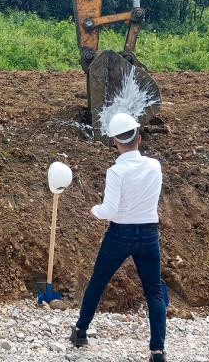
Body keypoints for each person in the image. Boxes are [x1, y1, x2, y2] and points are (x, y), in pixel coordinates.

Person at [69, 112, 166, 362]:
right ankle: (157, 351)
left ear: (115, 142)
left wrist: (94, 211)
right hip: (149, 234)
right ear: (140, 139)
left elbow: (109, 210)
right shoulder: (155, 165)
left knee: (98, 282)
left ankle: (80, 331)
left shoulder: (116, 172)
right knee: (154, 292)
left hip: (120, 233)